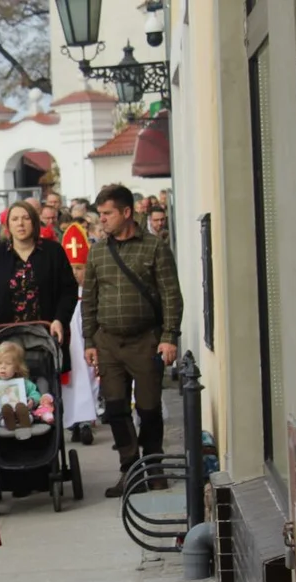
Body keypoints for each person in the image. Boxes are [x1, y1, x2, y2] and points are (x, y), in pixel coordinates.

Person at [84, 184, 184, 498]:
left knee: (149, 407)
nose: (102, 220)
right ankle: (130, 467)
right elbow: (89, 299)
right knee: (114, 407)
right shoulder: (98, 250)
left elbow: (171, 294)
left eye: (107, 214)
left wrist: (169, 337)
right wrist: (89, 341)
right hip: (109, 343)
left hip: (146, 341)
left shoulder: (154, 248)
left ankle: (153, 468)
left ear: (127, 212)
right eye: (99, 214)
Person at [0, 201, 79, 356]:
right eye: (15, 219)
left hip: (45, 336)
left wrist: (60, 320)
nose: (20, 224)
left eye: (26, 218)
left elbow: (68, 291)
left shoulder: (53, 252)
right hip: (7, 337)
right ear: (8, 225)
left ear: (34, 222)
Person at [60, 225, 97, 446]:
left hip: (86, 345)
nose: (75, 273)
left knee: (88, 379)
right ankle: (73, 422)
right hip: (68, 348)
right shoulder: (64, 294)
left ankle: (85, 420)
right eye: (71, 268)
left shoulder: (89, 295)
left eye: (79, 267)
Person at [0, 341, 42, 436]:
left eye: (8, 364)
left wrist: (32, 400)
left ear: (17, 368)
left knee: (29, 413)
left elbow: (36, 393)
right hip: (1, 413)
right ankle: (8, 423)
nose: (3, 367)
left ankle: (26, 420)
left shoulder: (23, 382)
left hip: (21, 411)